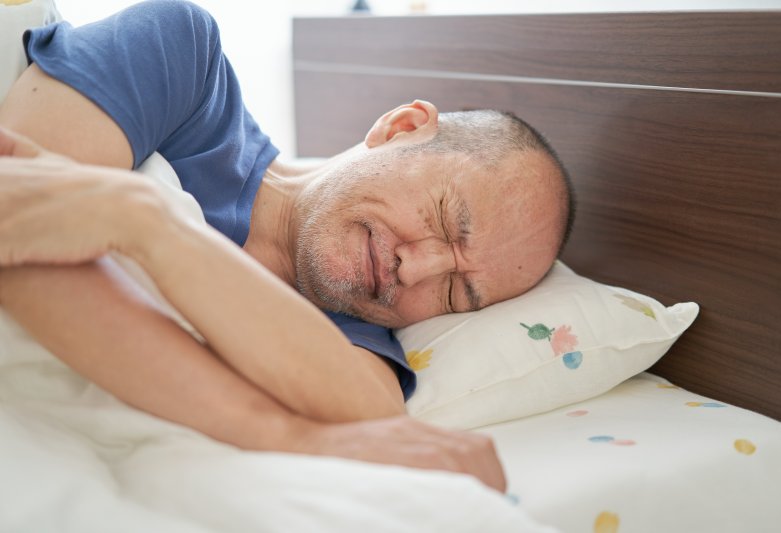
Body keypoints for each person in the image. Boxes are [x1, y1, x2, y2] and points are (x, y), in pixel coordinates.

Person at [0, 0, 573, 492]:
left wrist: (147, 226)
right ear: (401, 128)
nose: (416, 269)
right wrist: (281, 433)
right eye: (448, 221)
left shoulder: (356, 342)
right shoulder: (183, 61)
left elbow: (374, 420)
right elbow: (16, 216)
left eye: (454, 292)